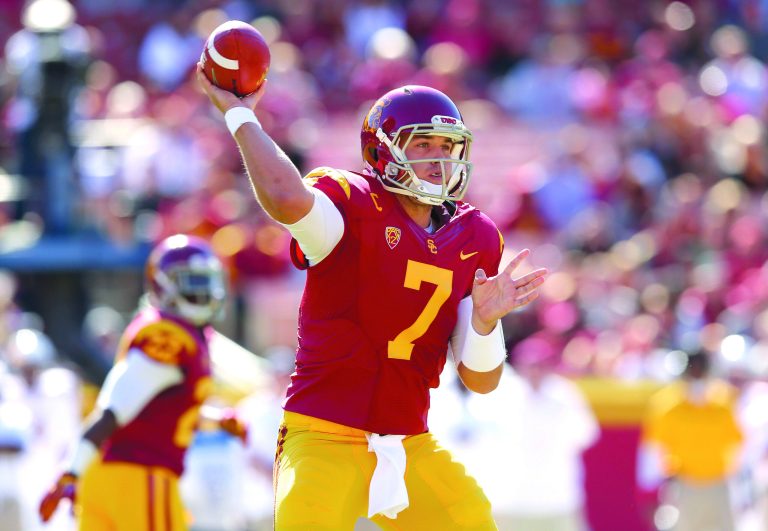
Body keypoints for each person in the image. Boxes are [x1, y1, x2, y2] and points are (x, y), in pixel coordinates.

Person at [197, 62, 548, 530]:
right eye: (422, 144)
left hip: (409, 443)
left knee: (472, 521)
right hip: (323, 439)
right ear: (382, 151)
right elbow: (284, 196)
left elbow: (482, 381)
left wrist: (484, 323)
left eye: (446, 146)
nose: (438, 158)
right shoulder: (353, 204)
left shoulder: (476, 236)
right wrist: (242, 116)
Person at [38, 234, 248, 530]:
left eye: (205, 283)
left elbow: (156, 410)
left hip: (111, 476)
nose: (201, 293)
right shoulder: (167, 336)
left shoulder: (176, 333)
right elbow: (114, 407)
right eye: (191, 282)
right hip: (137, 476)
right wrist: (70, 470)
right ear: (162, 284)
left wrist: (215, 420)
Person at [638, 350, 744, 531]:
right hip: (683, 484)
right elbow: (652, 448)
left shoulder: (723, 401)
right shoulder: (667, 405)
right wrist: (649, 491)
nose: (697, 379)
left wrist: (738, 485)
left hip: (718, 483)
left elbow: (737, 444)